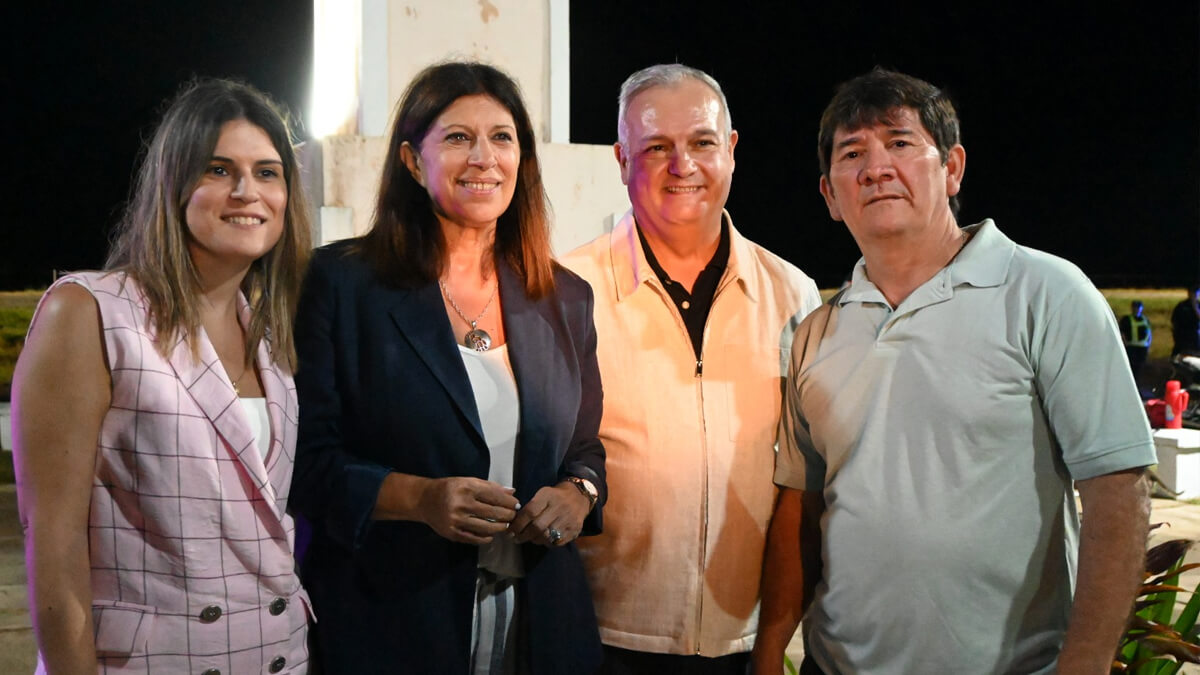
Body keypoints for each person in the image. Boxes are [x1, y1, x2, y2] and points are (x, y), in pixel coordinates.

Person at [753, 68, 1156, 674]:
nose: (876, 167)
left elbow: (1118, 491)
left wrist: (1086, 665)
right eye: (852, 152)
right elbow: (802, 513)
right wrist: (767, 656)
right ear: (830, 197)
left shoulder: (1045, 294)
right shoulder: (816, 332)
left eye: (900, 142)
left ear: (952, 168)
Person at [290, 61, 605, 674]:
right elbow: (304, 461)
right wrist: (419, 498)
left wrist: (578, 494)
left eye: (502, 137)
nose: (484, 157)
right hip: (394, 619)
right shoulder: (341, 284)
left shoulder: (565, 298)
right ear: (412, 161)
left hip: (538, 620)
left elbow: (587, 448)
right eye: (458, 137)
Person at [12, 79, 314, 673]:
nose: (246, 191)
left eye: (268, 172)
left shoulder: (271, 338)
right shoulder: (91, 310)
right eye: (219, 170)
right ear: (173, 184)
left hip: (276, 657)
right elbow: (53, 541)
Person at [561, 64, 821, 674]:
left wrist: (773, 645)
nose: (683, 165)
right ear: (622, 160)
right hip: (599, 638)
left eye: (702, 142)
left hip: (745, 643)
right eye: (656, 147)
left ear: (730, 150)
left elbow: (802, 482)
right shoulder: (566, 289)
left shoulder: (793, 295)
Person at [1119, 300, 1152, 382]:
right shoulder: (1126, 319)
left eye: (1138, 307)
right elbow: (1122, 332)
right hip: (1131, 347)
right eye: (1135, 307)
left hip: (1142, 348)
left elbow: (1149, 333)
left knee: (1140, 369)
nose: (1136, 309)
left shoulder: (1145, 319)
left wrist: (1148, 345)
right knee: (1131, 368)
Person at [1172, 284, 1200, 355]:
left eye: (1195, 294)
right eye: (1192, 293)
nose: (1194, 295)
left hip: (1194, 335)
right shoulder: (1182, 305)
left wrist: (1195, 307)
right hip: (1182, 335)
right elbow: (1174, 320)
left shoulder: (1198, 305)